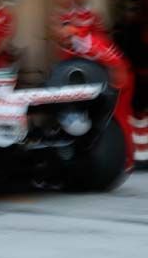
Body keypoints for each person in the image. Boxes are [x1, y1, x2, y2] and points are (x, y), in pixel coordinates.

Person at [55, 23, 134, 167]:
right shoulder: (74, 45)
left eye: (66, 38)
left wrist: (115, 88)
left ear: (73, 34)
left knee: (118, 120)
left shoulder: (90, 43)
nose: (64, 42)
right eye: (61, 39)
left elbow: (115, 64)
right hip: (101, 83)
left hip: (120, 81)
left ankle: (127, 160)